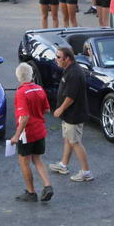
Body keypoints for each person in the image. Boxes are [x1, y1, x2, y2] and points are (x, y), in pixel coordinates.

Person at [48, 46, 93, 182]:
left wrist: (60, 109)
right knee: (68, 139)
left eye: (59, 57)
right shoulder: (69, 69)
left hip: (74, 114)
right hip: (70, 114)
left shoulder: (74, 73)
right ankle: (63, 165)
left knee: (75, 142)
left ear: (68, 58)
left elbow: (71, 96)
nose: (56, 60)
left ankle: (86, 172)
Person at [12, 63, 53, 203]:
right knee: (37, 159)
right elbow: (47, 110)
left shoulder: (21, 93)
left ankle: (31, 192)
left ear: (18, 77)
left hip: (27, 133)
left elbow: (24, 117)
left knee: (24, 161)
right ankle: (47, 185)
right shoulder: (39, 88)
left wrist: (16, 136)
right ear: (31, 75)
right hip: (40, 130)